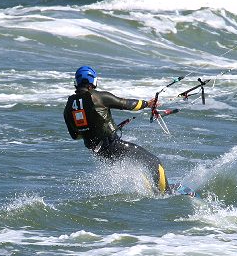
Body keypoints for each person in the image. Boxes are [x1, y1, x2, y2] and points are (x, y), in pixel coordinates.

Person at [63, 65, 170, 193]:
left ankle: (153, 195)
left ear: (77, 82)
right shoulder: (98, 97)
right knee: (155, 163)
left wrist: (96, 129)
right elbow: (127, 104)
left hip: (99, 152)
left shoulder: (68, 106)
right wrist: (148, 103)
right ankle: (167, 194)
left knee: (138, 173)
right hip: (112, 145)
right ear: (93, 81)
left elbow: (75, 135)